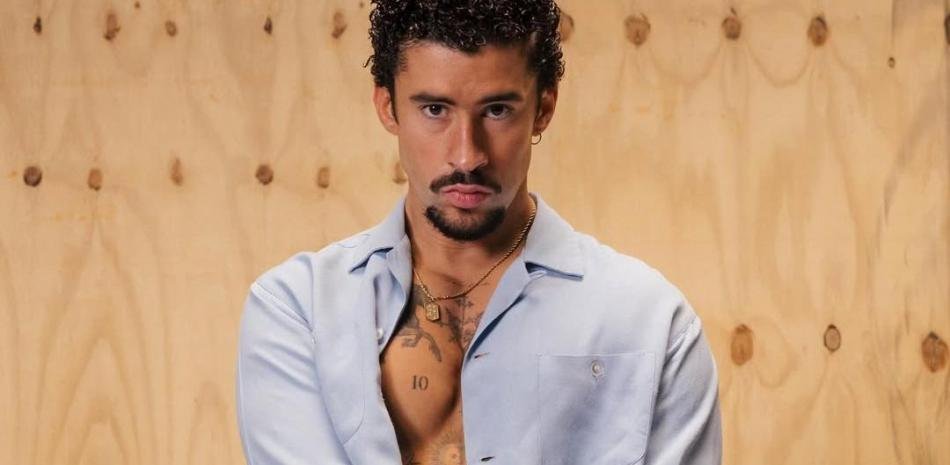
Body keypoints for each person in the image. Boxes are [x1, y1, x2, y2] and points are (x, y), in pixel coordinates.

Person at [235, 0, 722, 464]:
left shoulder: (651, 323)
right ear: (388, 107)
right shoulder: (298, 313)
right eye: (435, 109)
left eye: (497, 110)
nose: (467, 156)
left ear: (544, 107)